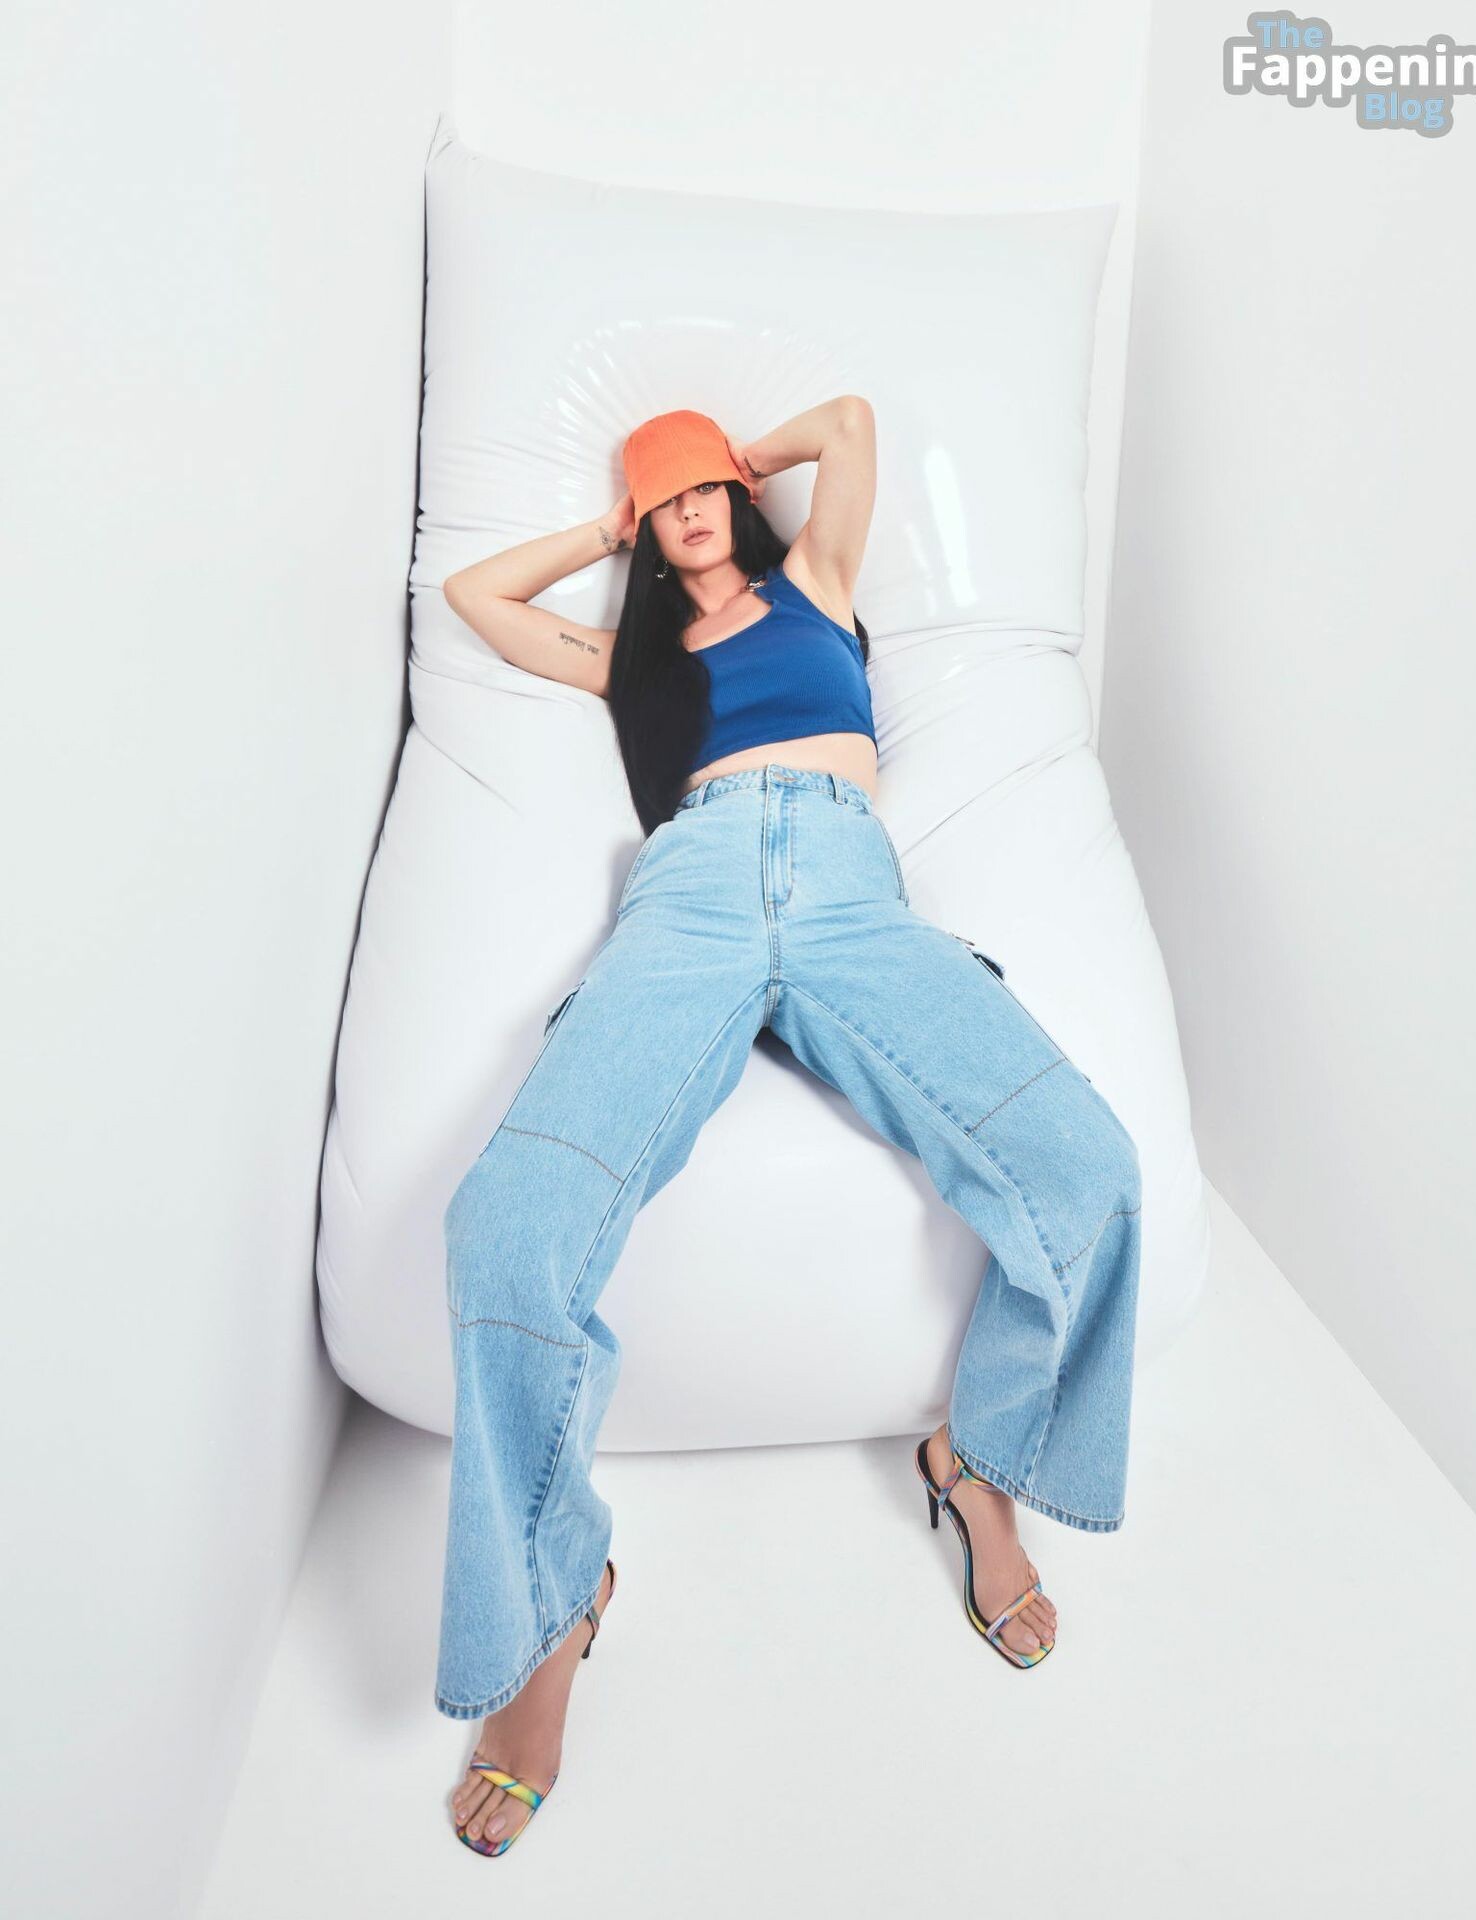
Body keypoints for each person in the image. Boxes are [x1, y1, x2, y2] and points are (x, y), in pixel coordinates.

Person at [436, 397, 1142, 1857]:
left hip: (849, 888)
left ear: (739, 495)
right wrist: (609, 526)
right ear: (644, 528)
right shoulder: (631, 659)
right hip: (689, 895)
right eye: (665, 497)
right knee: (505, 1231)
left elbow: (851, 423)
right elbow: (475, 598)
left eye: (705, 485)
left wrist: (731, 459)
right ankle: (553, 1608)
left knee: (1091, 1174)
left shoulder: (817, 585)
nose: (692, 505)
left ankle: (980, 1462)